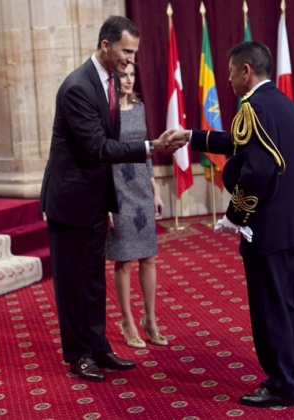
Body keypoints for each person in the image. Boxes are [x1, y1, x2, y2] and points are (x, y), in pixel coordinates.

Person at [40, 15, 184, 383]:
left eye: (134, 52)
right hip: (70, 202)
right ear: (106, 45)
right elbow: (96, 147)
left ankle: (98, 346)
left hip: (93, 198)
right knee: (74, 283)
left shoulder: (107, 82)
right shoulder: (77, 87)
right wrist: (152, 146)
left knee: (93, 280)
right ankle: (79, 355)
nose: (130, 60)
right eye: (126, 51)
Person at [171, 41, 294, 408]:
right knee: (289, 304)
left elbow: (259, 168)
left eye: (231, 71)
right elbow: (244, 144)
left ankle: (281, 385)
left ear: (246, 70)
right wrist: (193, 137)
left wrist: (235, 214)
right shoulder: (280, 102)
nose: (228, 79)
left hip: (265, 228)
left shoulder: (253, 107)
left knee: (269, 308)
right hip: (291, 226)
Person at [106, 63, 168, 349]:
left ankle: (150, 319)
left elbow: (146, 150)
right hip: (117, 190)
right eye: (123, 75)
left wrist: (154, 191)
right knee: (123, 259)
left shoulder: (140, 108)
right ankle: (127, 320)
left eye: (132, 74)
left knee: (149, 257)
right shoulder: (106, 111)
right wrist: (104, 199)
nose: (129, 80)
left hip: (141, 189)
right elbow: (102, 156)